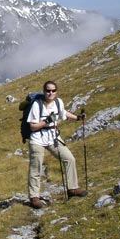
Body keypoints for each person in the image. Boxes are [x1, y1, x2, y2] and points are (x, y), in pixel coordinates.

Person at [27, 80, 87, 208]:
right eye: (48, 90)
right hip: (37, 138)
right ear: (44, 91)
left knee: (69, 158)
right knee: (36, 167)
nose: (50, 93)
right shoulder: (37, 105)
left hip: (53, 137)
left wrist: (77, 118)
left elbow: (63, 113)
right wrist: (46, 121)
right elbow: (32, 126)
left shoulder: (58, 102)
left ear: (56, 92)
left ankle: (72, 188)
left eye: (53, 90)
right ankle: (34, 197)